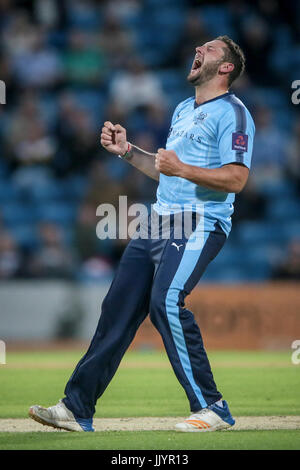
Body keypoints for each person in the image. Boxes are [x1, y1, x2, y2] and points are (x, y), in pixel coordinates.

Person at [29, 35, 255, 432]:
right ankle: (76, 408)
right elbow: (163, 168)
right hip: (158, 219)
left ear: (226, 68)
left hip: (199, 219)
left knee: (166, 300)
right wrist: (129, 151)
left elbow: (236, 179)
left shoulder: (233, 114)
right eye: (198, 47)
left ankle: (212, 406)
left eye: (210, 49)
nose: (198, 50)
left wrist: (181, 168)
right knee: (118, 307)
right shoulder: (185, 108)